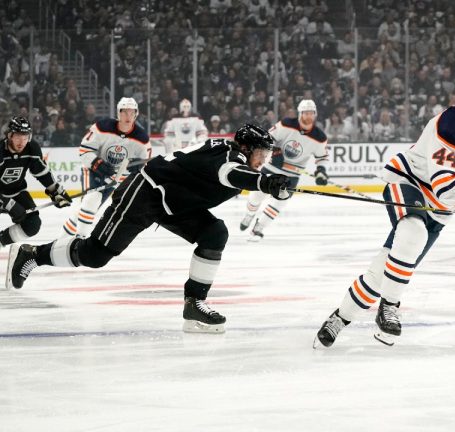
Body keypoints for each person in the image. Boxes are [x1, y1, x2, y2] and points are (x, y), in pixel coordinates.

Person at [6, 124, 291, 333]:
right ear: (246, 148)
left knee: (214, 233)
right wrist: (266, 183)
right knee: (95, 255)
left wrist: (266, 182)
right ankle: (33, 254)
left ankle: (194, 304)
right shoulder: (228, 159)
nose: (265, 160)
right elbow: (229, 173)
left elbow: (239, 173)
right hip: (146, 193)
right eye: (262, 153)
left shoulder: (231, 154)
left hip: (175, 203)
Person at [313, 72, 455, 348]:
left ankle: (339, 318)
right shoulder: (450, 126)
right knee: (413, 234)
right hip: (409, 182)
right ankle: (389, 307)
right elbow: (445, 185)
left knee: (384, 270)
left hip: (442, 207)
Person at [239, 99, 329, 241]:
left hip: (292, 176)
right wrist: (275, 151)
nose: (309, 116)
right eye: (306, 113)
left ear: (315, 114)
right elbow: (268, 138)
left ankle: (258, 229)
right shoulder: (286, 124)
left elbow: (322, 157)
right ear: (300, 114)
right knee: (256, 196)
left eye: (311, 113)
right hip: (271, 168)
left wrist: (321, 171)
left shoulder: (319, 137)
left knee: (279, 202)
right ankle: (249, 214)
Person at [60, 97, 152, 238]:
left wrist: (139, 166)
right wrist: (97, 163)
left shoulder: (142, 138)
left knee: (86, 208)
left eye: (131, 112)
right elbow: (84, 150)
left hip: (113, 179)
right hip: (92, 170)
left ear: (136, 114)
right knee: (92, 199)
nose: (128, 116)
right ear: (118, 113)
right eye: (124, 112)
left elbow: (146, 163)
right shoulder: (103, 127)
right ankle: (80, 239)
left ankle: (61, 240)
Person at [0, 116, 72, 248]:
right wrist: (9, 204)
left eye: (25, 137)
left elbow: (42, 173)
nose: (22, 142)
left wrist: (56, 191)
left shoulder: (32, 148)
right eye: (18, 137)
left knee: (32, 224)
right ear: (9, 135)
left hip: (17, 192)